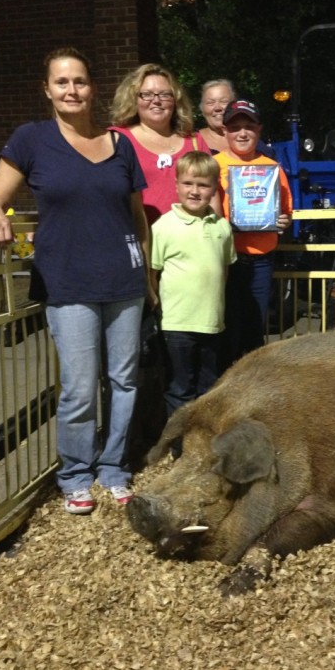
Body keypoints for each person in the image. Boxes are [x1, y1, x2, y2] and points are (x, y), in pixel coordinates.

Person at [0, 47, 151, 514]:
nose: (72, 90)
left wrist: (148, 278)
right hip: (67, 282)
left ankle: (113, 468)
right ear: (48, 90)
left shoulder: (121, 144)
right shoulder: (31, 139)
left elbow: (137, 217)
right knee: (78, 384)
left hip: (124, 280)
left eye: (79, 81)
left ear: (93, 87)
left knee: (124, 380)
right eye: (62, 82)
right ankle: (75, 473)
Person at [150, 151, 236, 455]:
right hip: (177, 323)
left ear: (214, 189)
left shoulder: (222, 229)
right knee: (179, 388)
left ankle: (205, 445)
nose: (195, 191)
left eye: (203, 184)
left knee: (210, 387)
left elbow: (224, 270)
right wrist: (157, 303)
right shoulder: (163, 226)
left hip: (212, 322)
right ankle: (180, 448)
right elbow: (153, 270)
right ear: (176, 185)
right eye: (188, 183)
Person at [215, 99, 293, 369]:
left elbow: (286, 212)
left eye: (249, 126)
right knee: (226, 329)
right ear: (224, 131)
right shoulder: (214, 165)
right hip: (225, 261)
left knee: (253, 331)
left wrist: (283, 221)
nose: (242, 133)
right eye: (235, 127)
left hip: (260, 261)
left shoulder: (272, 168)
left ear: (259, 130)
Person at [110, 64, 221, 226]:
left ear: (175, 100)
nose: (156, 101)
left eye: (164, 95)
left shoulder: (195, 140)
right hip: (141, 239)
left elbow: (213, 194)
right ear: (133, 99)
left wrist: (215, 235)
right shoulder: (117, 139)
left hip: (190, 242)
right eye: (146, 94)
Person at [198, 79, 237, 154]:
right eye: (210, 103)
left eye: (224, 101)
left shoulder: (247, 139)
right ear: (202, 109)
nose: (217, 108)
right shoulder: (191, 142)